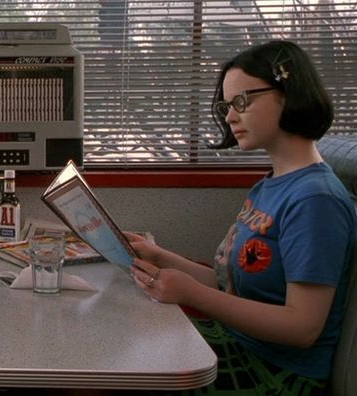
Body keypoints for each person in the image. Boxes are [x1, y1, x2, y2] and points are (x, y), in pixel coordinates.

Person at [128, 40, 355, 395]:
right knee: (122, 338)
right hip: (238, 343)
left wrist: (191, 294)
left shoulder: (315, 200)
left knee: (120, 363)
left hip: (277, 373)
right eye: (227, 105)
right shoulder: (271, 185)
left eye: (242, 102)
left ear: (289, 94)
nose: (230, 116)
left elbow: (302, 327)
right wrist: (160, 257)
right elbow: (229, 282)